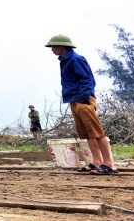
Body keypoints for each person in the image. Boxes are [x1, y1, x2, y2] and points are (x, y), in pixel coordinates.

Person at [46, 34, 118, 175]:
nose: (52, 49)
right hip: (74, 99)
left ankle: (109, 164)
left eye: (53, 46)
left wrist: (83, 99)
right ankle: (97, 162)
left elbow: (86, 80)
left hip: (83, 99)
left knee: (97, 132)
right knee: (87, 134)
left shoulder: (75, 59)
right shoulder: (65, 60)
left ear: (62, 46)